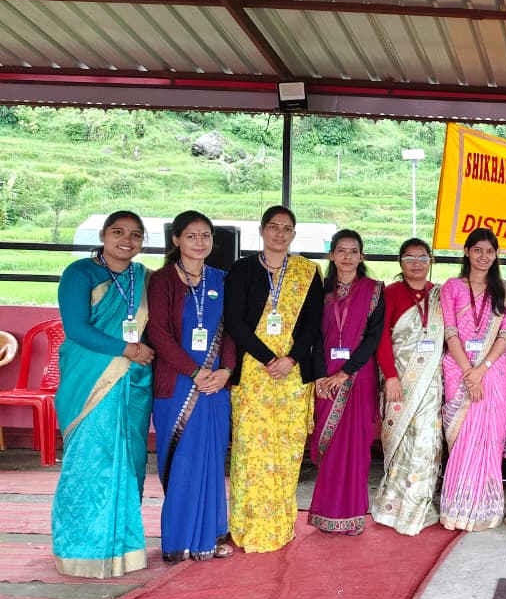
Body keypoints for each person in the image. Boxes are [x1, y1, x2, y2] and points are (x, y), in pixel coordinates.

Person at [52, 211, 154, 578]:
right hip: (90, 380)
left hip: (133, 381)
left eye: (135, 235)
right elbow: (76, 329)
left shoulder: (144, 277)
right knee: (90, 461)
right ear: (103, 235)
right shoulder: (80, 273)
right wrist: (126, 349)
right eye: (118, 232)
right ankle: (80, 549)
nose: (127, 240)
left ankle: (123, 548)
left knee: (130, 459)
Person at [224, 205, 323, 553]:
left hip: (292, 375)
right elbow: (234, 322)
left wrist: (291, 359)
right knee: (251, 450)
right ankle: (247, 526)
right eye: (273, 227)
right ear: (262, 230)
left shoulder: (307, 272)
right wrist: (269, 359)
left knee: (287, 449)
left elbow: (313, 323)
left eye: (287, 228)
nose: (280, 233)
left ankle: (280, 525)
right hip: (255, 372)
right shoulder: (242, 269)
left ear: (294, 234)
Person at [145, 210, 235, 562]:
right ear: (176, 240)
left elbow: (233, 330)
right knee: (183, 461)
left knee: (212, 461)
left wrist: (226, 370)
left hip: (216, 386)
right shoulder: (163, 280)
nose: (200, 242)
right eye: (191, 235)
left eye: (205, 235)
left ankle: (209, 537)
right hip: (178, 384)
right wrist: (194, 372)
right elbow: (158, 333)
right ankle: (179, 541)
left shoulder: (222, 279)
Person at [308, 230, 385, 535]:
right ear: (332, 255)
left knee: (356, 448)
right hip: (325, 377)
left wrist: (345, 373)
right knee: (330, 446)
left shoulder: (374, 290)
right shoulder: (320, 290)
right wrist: (319, 376)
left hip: (359, 376)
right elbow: (313, 336)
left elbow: (373, 338)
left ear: (361, 256)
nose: (347, 256)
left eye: (354, 251)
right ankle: (326, 513)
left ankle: (352, 515)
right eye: (341, 250)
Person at [439, 228, 506, 531]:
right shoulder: (452, 287)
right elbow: (450, 331)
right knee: (463, 437)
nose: (483, 256)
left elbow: (505, 335)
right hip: (458, 369)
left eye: (489, 251)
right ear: (467, 252)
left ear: (496, 255)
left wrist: (482, 369)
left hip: (493, 372)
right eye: (477, 250)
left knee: (488, 439)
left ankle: (485, 507)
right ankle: (458, 507)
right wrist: (468, 372)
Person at [371, 239, 446, 535]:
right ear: (400, 262)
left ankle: (419, 506)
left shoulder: (439, 295)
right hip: (399, 380)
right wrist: (390, 376)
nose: (416, 263)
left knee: (427, 443)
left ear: (431, 260)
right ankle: (392, 506)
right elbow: (381, 338)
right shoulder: (390, 293)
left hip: (431, 383)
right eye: (409, 258)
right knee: (401, 441)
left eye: (422, 257)